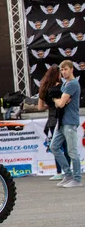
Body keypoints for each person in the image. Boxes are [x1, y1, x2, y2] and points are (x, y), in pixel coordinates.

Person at [50, 60, 81, 188]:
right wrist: (60, 99)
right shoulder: (65, 84)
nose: (63, 72)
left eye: (66, 69)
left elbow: (61, 103)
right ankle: (68, 175)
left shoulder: (72, 84)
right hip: (61, 121)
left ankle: (77, 179)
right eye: (62, 70)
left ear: (72, 69)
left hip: (70, 121)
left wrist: (55, 99)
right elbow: (63, 101)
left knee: (72, 151)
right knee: (54, 147)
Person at [38, 65, 71, 181]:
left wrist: (49, 105)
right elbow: (65, 102)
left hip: (51, 120)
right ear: (57, 75)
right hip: (62, 118)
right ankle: (68, 171)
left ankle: (58, 171)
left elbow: (39, 107)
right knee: (66, 147)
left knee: (55, 147)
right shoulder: (61, 87)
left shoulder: (43, 88)